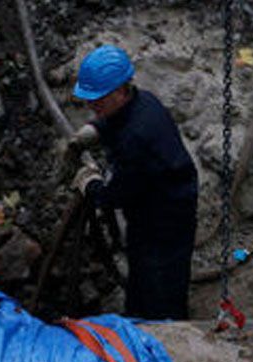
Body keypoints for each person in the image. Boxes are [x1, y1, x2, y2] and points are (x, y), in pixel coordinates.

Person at [68, 44, 198, 320]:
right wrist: (96, 130)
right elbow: (116, 123)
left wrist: (91, 184)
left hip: (165, 218)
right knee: (141, 276)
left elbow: (113, 195)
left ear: (120, 91)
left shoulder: (137, 138)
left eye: (98, 100)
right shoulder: (142, 100)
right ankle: (139, 315)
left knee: (161, 286)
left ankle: (168, 333)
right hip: (156, 204)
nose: (92, 105)